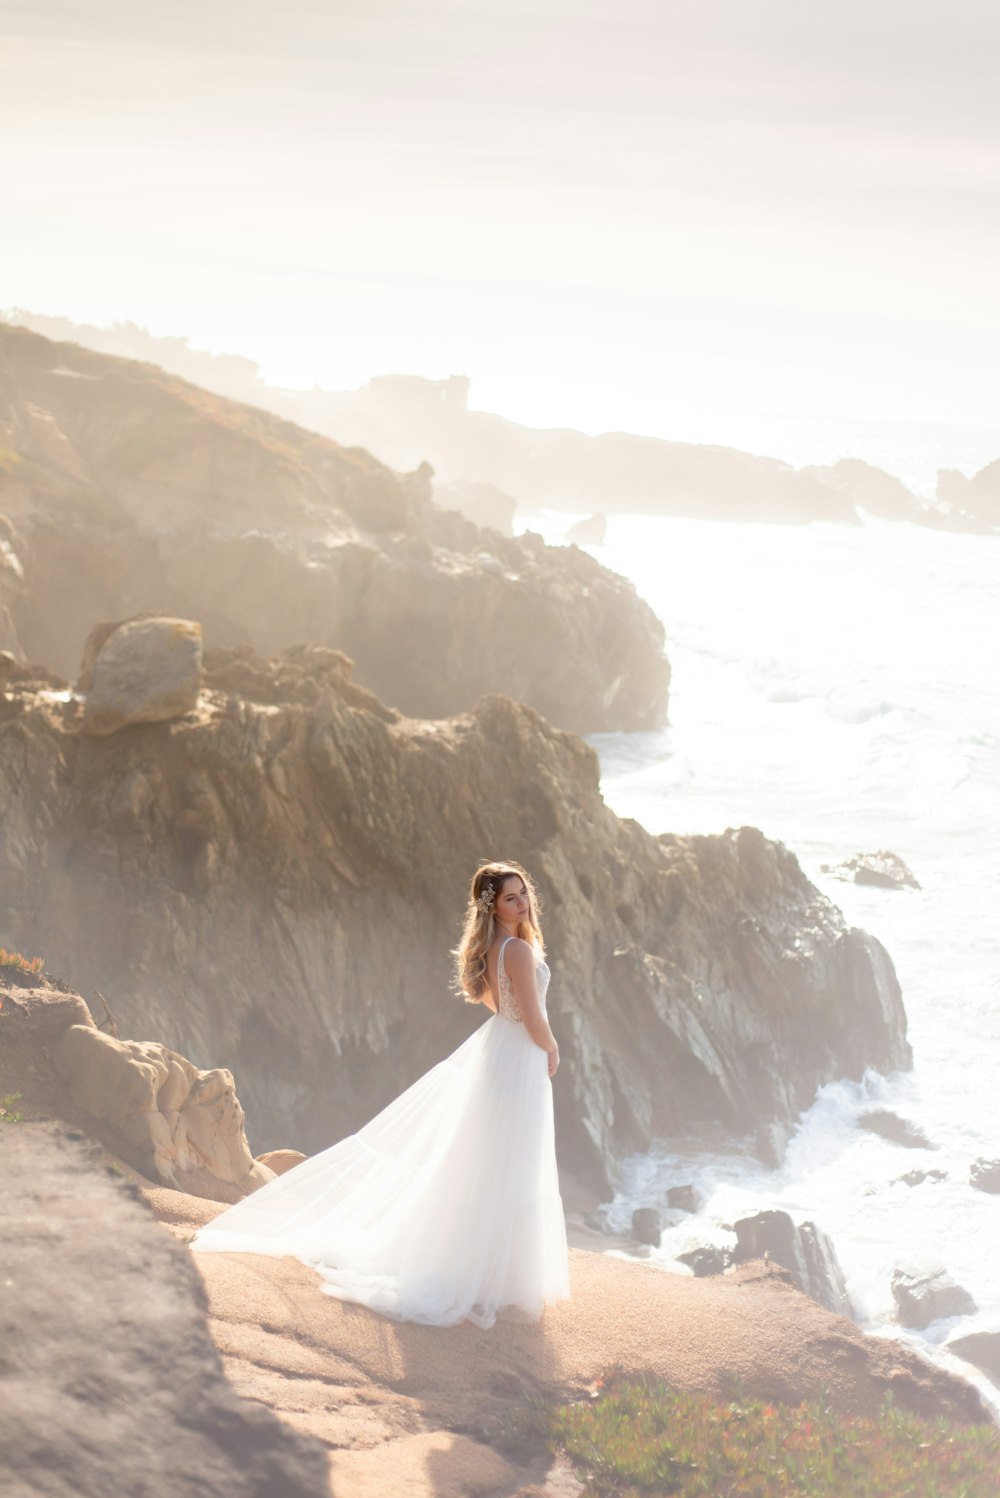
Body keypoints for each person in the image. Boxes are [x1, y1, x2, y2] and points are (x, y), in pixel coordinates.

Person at [189, 860, 571, 1329]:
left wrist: (529, 1036)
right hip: (519, 1056)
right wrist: (551, 1047)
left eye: (524, 893)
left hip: (503, 1052)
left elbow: (498, 1005)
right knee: (512, 1161)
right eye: (511, 897)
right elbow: (531, 1016)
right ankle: (499, 1277)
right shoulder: (515, 949)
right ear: (493, 907)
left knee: (497, 1163)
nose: (522, 903)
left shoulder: (495, 947)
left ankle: (492, 1273)